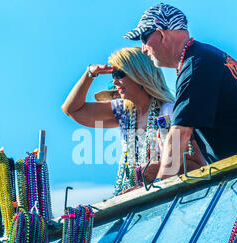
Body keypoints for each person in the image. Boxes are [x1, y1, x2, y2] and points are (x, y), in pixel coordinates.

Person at [124, 3, 237, 181]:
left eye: (144, 38)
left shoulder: (196, 64)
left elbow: (180, 134)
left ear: (161, 32)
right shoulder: (201, 56)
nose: (143, 48)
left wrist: (160, 188)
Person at [62, 47, 202, 195]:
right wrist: (89, 74)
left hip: (174, 197)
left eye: (120, 74)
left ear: (140, 74)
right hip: (138, 200)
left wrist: (158, 169)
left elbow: (198, 165)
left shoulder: (168, 112)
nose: (115, 81)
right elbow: (72, 110)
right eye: (113, 75)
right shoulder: (124, 112)